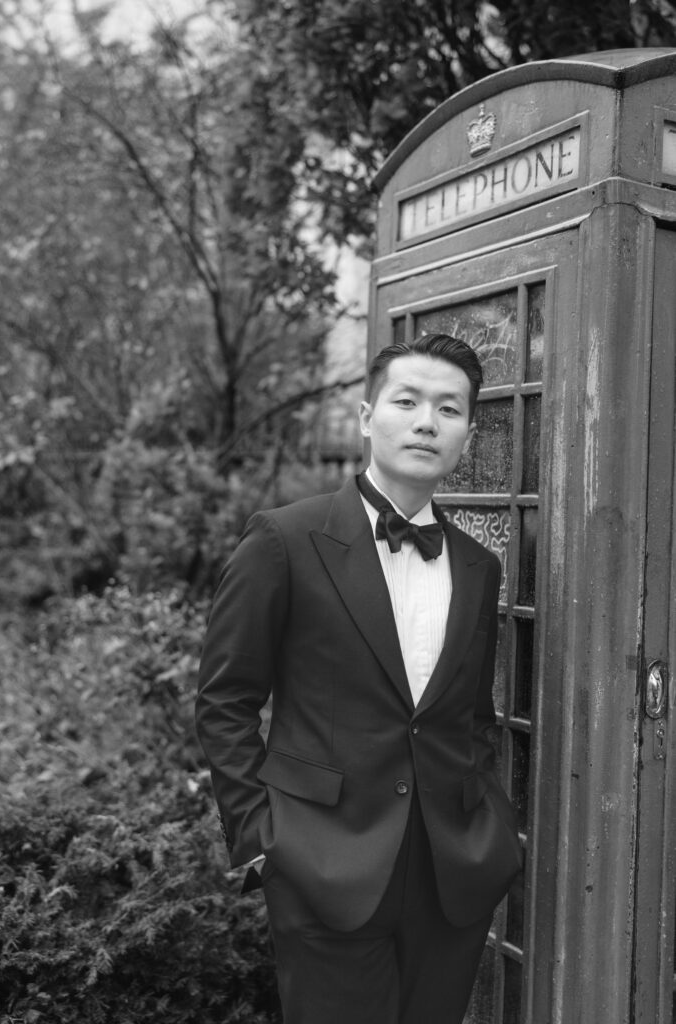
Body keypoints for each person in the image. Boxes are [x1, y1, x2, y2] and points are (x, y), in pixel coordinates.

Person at [195, 332, 523, 1024]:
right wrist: (261, 840)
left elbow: (471, 718)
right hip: (321, 864)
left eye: (449, 409)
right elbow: (225, 699)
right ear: (369, 415)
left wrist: (487, 822)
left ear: (467, 432)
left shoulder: (475, 566)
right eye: (407, 401)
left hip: (449, 874)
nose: (426, 422)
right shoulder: (284, 539)